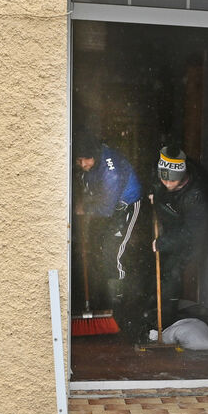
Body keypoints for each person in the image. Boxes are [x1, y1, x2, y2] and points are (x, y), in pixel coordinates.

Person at [73, 132, 147, 332]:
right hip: (108, 207)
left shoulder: (110, 173)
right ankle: (106, 293)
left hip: (127, 205)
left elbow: (105, 208)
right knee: (100, 249)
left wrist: (84, 209)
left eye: (85, 159)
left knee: (113, 251)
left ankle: (120, 302)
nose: (82, 164)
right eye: (79, 160)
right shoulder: (91, 163)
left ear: (94, 156)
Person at [149, 146, 208, 328]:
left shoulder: (198, 195)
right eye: (163, 178)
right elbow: (156, 180)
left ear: (183, 177)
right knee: (153, 267)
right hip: (171, 219)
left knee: (172, 272)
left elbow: (193, 233)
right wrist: (153, 193)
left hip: (190, 236)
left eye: (171, 181)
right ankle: (151, 307)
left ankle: (164, 322)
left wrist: (163, 242)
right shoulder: (162, 172)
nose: (166, 184)